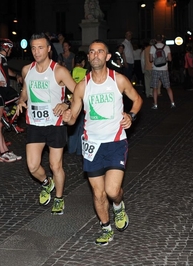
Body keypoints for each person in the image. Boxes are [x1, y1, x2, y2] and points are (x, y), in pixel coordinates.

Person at [62, 39, 143, 246]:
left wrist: (131, 116)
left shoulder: (119, 80)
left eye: (100, 52)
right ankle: (106, 227)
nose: (95, 54)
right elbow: (73, 117)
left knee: (112, 191)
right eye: (92, 52)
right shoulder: (82, 86)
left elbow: (137, 99)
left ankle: (118, 205)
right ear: (88, 57)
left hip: (115, 143)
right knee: (98, 193)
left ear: (107, 57)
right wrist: (67, 116)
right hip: (92, 146)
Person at [16, 33, 77, 215]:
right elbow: (25, 92)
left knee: (55, 165)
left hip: (55, 124)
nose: (36, 51)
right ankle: (46, 183)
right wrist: (21, 100)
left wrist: (66, 103)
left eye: (41, 47)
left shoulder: (59, 71)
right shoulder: (27, 70)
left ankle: (58, 198)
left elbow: (79, 93)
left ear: (49, 49)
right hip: (34, 123)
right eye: (33, 48)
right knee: (33, 166)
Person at [0, 39, 24, 133]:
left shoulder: (3, 58)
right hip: (0, 88)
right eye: (10, 49)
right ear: (6, 48)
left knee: (19, 99)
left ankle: (12, 122)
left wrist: (16, 75)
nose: (11, 51)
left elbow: (7, 70)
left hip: (6, 87)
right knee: (0, 110)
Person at [67, 51, 88, 155]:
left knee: (73, 127)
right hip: (82, 104)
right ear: (84, 62)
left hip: (70, 103)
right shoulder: (87, 73)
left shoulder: (69, 72)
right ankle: (80, 151)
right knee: (82, 128)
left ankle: (71, 149)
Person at [149, 34, 175, 109]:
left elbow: (150, 60)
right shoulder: (166, 47)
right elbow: (170, 59)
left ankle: (155, 104)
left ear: (155, 40)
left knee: (155, 87)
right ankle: (172, 103)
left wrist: (156, 60)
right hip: (164, 69)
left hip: (156, 69)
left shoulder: (152, 47)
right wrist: (164, 59)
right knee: (168, 87)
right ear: (162, 39)